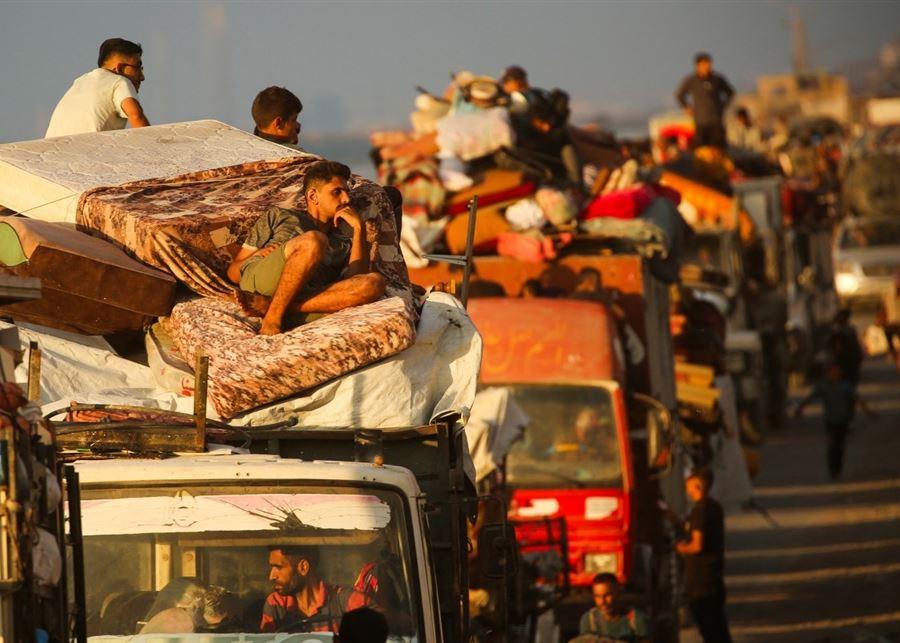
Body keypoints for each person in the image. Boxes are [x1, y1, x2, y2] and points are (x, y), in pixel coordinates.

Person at [228, 160, 385, 335]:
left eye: (347, 192)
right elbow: (233, 273)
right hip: (262, 281)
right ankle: (273, 319)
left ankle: (272, 307)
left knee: (375, 283)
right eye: (337, 192)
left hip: (306, 298)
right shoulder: (280, 216)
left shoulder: (343, 242)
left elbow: (355, 281)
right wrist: (258, 254)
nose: (346, 199)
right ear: (313, 196)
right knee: (314, 240)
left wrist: (358, 229)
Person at [46, 38, 149, 138]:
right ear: (120, 69)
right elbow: (136, 116)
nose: (142, 77)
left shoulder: (79, 83)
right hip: (89, 148)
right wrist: (153, 144)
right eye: (138, 67)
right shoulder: (119, 81)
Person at [674, 469, 732, 643]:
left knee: (709, 629)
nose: (687, 490)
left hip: (701, 580)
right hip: (714, 579)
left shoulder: (700, 510)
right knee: (719, 629)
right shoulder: (714, 507)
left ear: (697, 486)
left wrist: (679, 548)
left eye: (689, 486)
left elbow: (697, 545)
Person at [260, 546, 373, 634]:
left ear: (303, 567)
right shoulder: (276, 603)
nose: (271, 576)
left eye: (278, 567)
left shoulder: (346, 601)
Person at [794, 361, 877, 479]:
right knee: (831, 445)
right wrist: (800, 408)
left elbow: (857, 399)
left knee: (840, 446)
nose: (834, 374)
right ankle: (832, 469)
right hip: (830, 420)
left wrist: (869, 412)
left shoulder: (846, 387)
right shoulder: (823, 386)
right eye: (831, 371)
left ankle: (838, 468)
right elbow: (811, 397)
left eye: (836, 371)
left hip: (843, 420)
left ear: (840, 372)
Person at [675, 52, 734, 150]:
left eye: (709, 64)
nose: (708, 66)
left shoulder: (717, 79)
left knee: (718, 148)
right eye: (704, 64)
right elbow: (679, 95)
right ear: (698, 66)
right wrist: (686, 107)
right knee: (701, 149)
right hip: (700, 122)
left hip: (716, 121)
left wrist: (722, 106)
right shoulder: (691, 80)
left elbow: (730, 93)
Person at [574, 573, 650, 642]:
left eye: (607, 595)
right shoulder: (589, 619)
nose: (602, 601)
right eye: (597, 596)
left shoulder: (636, 619)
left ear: (618, 594)